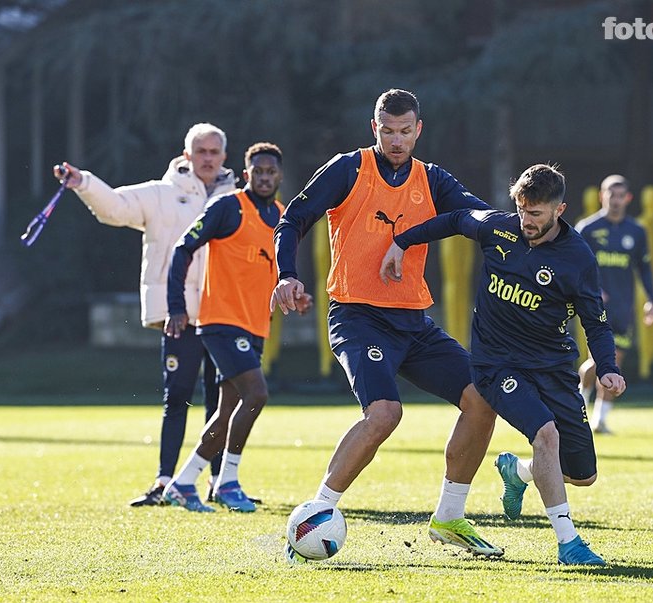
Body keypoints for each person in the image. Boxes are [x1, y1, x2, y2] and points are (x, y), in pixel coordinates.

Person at [272, 88, 502, 562]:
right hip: (358, 316)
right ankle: (317, 513)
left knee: (482, 398)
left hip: (414, 322)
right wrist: (287, 275)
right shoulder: (348, 168)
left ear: (418, 130)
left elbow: (474, 213)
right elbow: (293, 218)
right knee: (384, 414)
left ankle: (449, 518)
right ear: (373, 129)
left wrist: (515, 226)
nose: (397, 140)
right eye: (388, 131)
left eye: (405, 131)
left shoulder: (431, 178)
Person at [381, 163, 625, 565]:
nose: (526, 221)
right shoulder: (497, 227)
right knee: (546, 434)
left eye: (536, 214)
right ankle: (568, 544)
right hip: (496, 366)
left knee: (582, 474)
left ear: (559, 210)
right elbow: (456, 219)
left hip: (552, 369)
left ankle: (520, 472)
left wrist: (607, 366)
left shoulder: (577, 258)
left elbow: (595, 321)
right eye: (522, 210)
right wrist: (402, 242)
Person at [53, 123, 236, 506]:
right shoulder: (160, 193)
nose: (206, 158)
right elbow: (116, 208)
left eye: (213, 152)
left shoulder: (238, 197)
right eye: (199, 151)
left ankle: (219, 482)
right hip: (179, 314)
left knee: (221, 401)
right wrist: (83, 182)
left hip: (224, 313)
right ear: (186, 155)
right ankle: (165, 481)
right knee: (178, 397)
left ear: (224, 156)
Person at [163, 142, 312, 512]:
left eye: (271, 173)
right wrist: (177, 307)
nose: (264, 178)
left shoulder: (282, 218)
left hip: (255, 326)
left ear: (280, 176)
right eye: (257, 172)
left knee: (227, 409)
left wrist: (297, 296)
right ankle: (227, 480)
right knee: (257, 394)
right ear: (246, 174)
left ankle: (183, 483)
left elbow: (279, 274)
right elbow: (183, 249)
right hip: (220, 322)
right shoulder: (227, 207)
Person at [575, 175, 653, 434]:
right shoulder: (587, 229)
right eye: (611, 194)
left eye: (621, 195)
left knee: (614, 363)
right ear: (602, 196)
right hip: (594, 308)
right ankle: (579, 400)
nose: (616, 200)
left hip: (623, 308)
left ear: (628, 198)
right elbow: (575, 265)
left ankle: (599, 420)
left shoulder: (636, 231)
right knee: (597, 361)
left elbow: (644, 269)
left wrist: (652, 301)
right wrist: (593, 288)